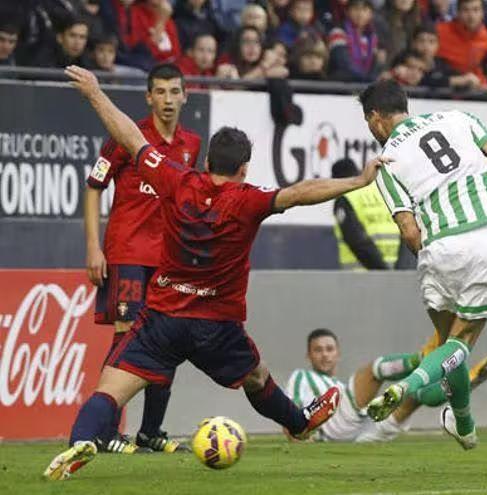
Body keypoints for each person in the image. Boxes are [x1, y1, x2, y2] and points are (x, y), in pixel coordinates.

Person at [44, 65, 383, 480]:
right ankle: (299, 424)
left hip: (163, 318)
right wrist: (358, 180)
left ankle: (80, 440)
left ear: (206, 161)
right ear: (244, 169)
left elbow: (130, 137)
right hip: (217, 327)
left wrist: (95, 93)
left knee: (109, 392)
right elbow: (299, 193)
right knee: (257, 378)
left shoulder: (177, 180)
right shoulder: (249, 200)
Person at [357, 80, 487, 451]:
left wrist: (433, 251)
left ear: (375, 118)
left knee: (448, 345)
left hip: (440, 247)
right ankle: (408, 386)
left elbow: (409, 230)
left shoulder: (386, 163)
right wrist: (486, 198)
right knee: (460, 345)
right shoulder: (457, 118)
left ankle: (462, 422)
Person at [83, 63, 197, 455]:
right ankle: (103, 430)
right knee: (127, 336)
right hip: (128, 252)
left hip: (168, 260)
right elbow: (94, 186)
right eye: (160, 92)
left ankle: (150, 432)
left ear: (185, 96)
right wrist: (94, 247)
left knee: (167, 341)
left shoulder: (190, 145)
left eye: (174, 92)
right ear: (149, 97)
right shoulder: (125, 136)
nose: (168, 100)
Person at [283, 328, 487, 442]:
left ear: (338, 353)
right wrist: (296, 438)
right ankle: (424, 358)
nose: (324, 355)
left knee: (414, 397)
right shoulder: (301, 377)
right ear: (308, 355)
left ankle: (463, 383)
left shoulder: (339, 383)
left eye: (329, 349)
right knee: (372, 371)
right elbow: (289, 412)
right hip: (334, 428)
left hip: (367, 433)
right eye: (318, 350)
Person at [331, 158, 400, 270]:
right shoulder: (381, 192)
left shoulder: (346, 198)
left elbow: (357, 240)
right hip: (395, 274)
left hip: (362, 278)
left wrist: (381, 272)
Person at [436, 0, 487, 86]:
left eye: (476, 10)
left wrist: (483, 84)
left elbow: (479, 68)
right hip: (442, 85)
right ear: (458, 12)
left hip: (472, 88)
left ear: (482, 13)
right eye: (466, 10)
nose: (471, 16)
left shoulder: (486, 37)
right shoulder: (440, 31)